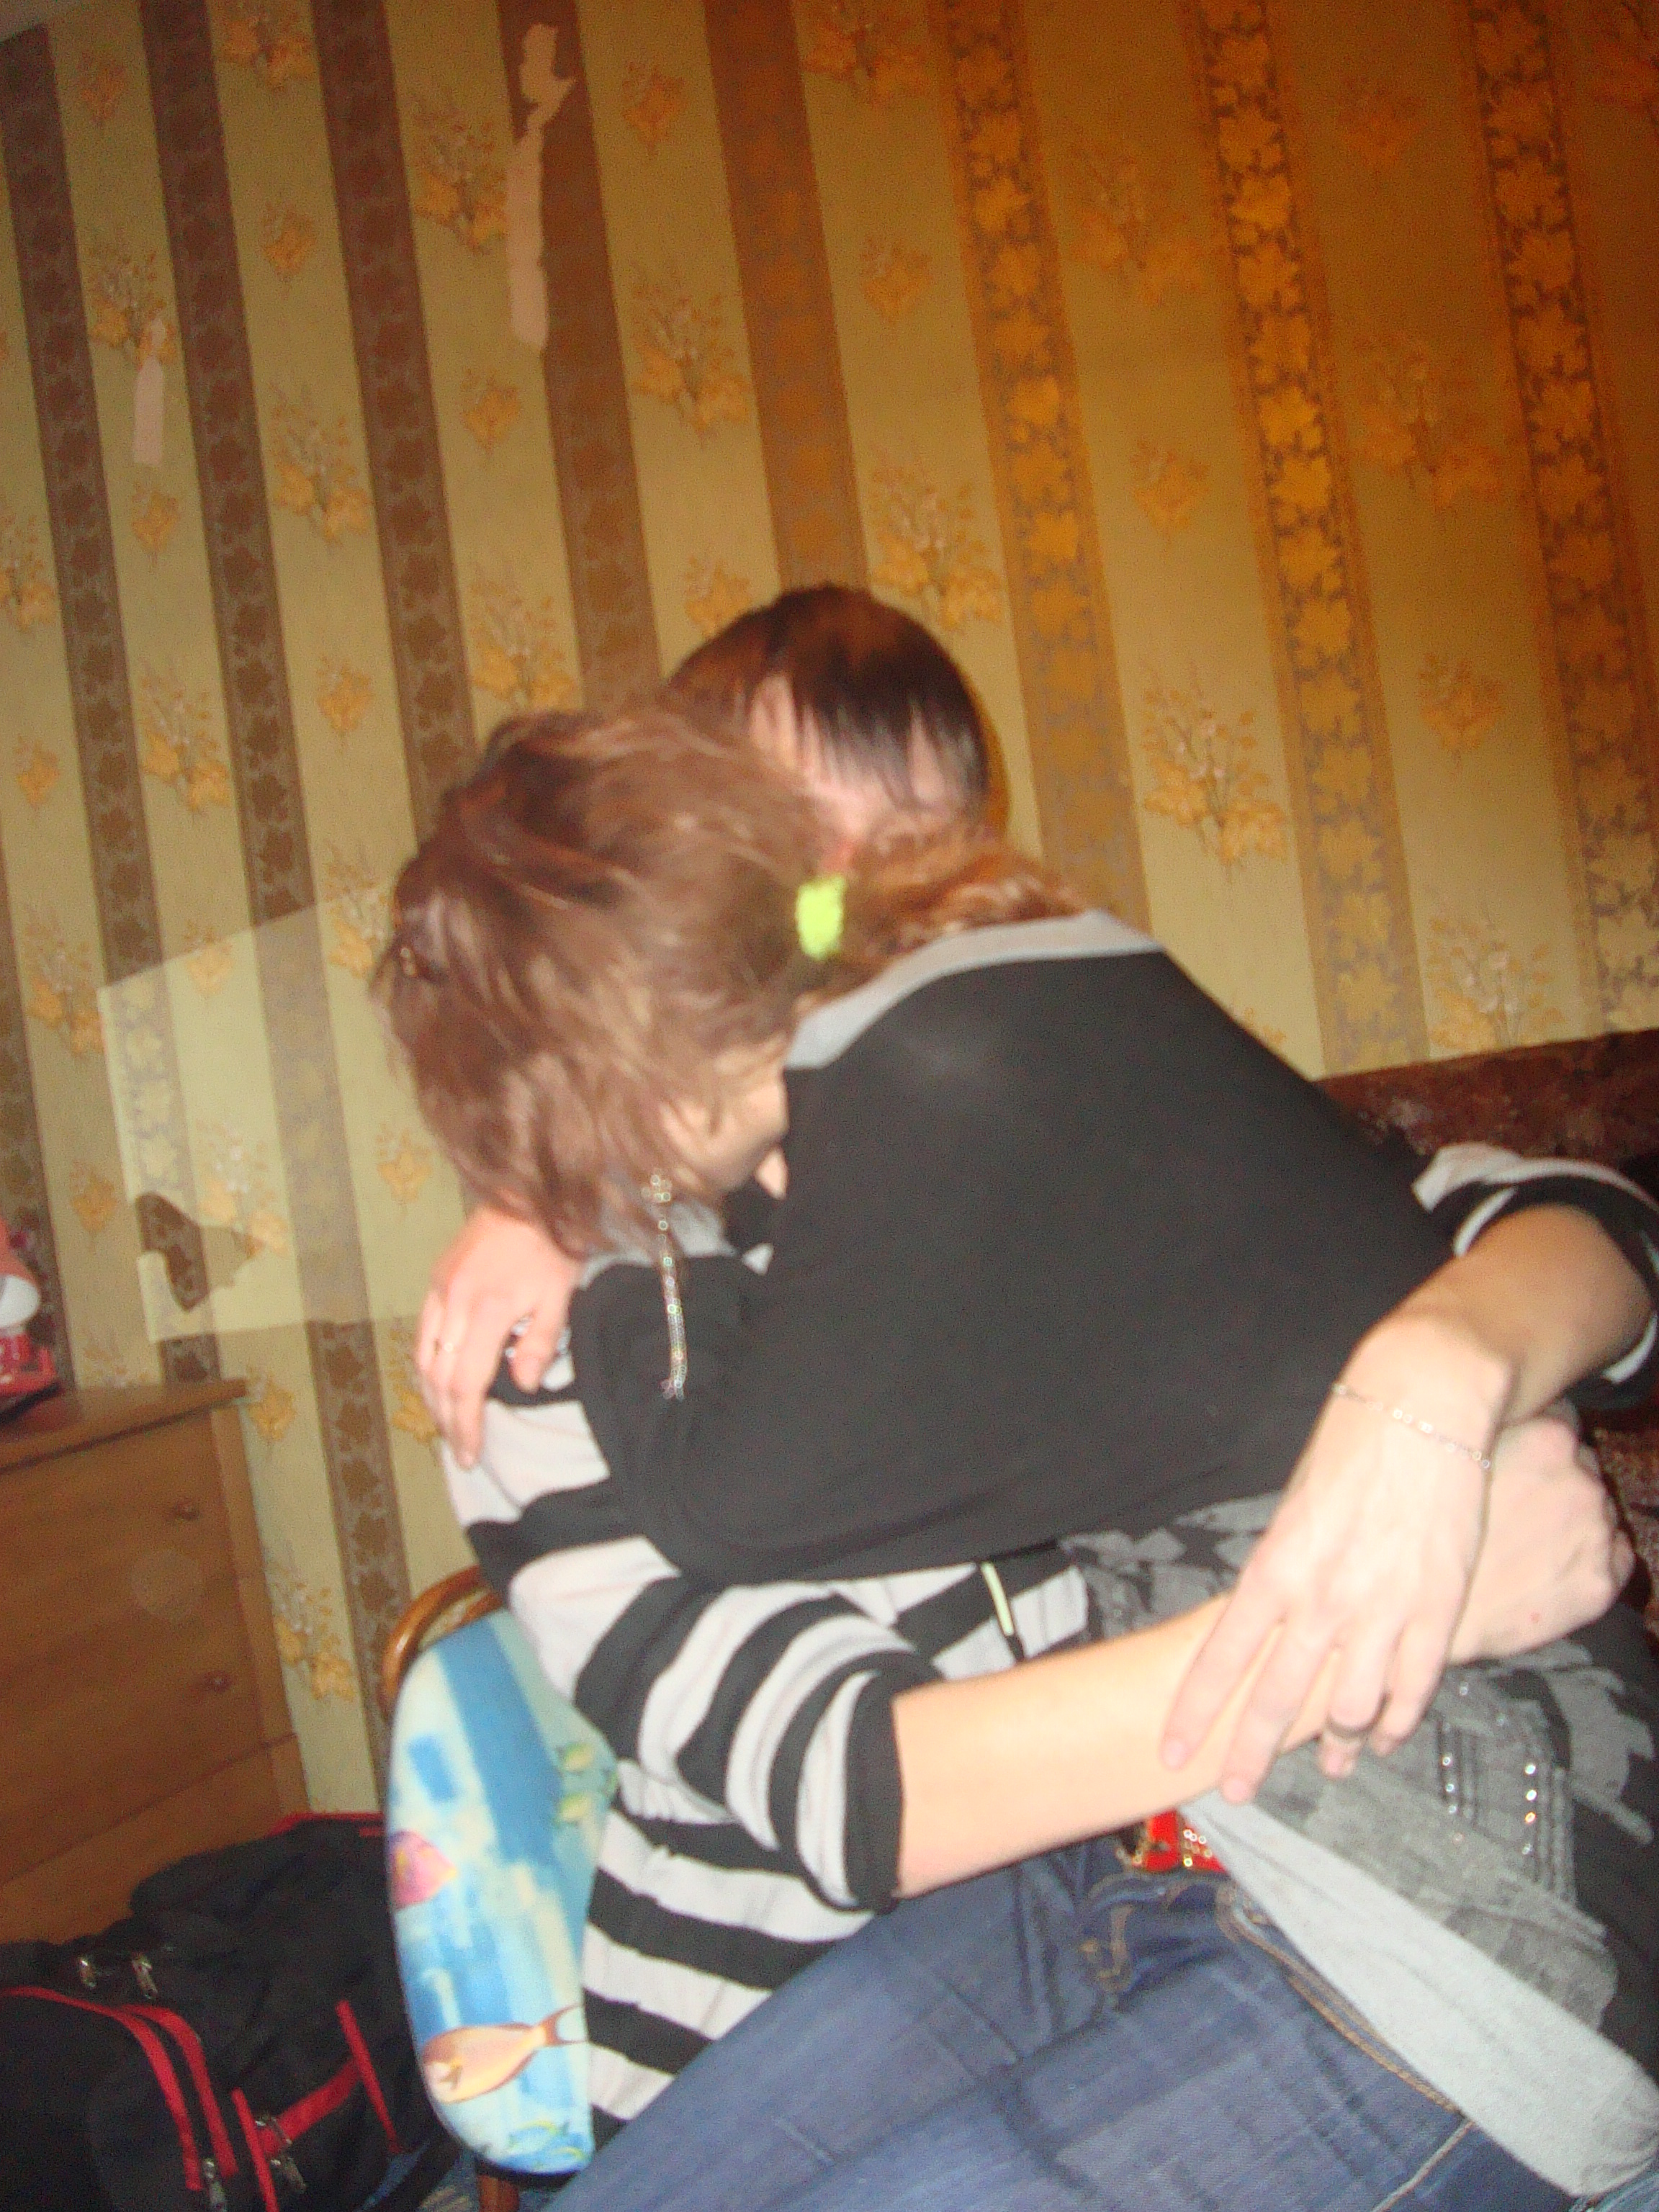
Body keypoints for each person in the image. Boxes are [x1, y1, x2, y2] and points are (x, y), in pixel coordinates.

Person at [377, 705, 1659, 2205]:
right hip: (838, 1949)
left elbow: (1550, 1220)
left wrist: (1439, 1372)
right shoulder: (552, 1349)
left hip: (1399, 1907)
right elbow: (863, 1780)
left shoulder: (1000, 1093)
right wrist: (1358, 1618)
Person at [415, 585, 1655, 1802]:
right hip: (922, 1895)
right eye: (790, 843)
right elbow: (843, 1774)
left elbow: (1584, 1228)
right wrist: (576, 1193)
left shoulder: (1087, 1117)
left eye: (912, 846)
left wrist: (1438, 1370)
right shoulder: (554, 1319)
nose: (851, 894)